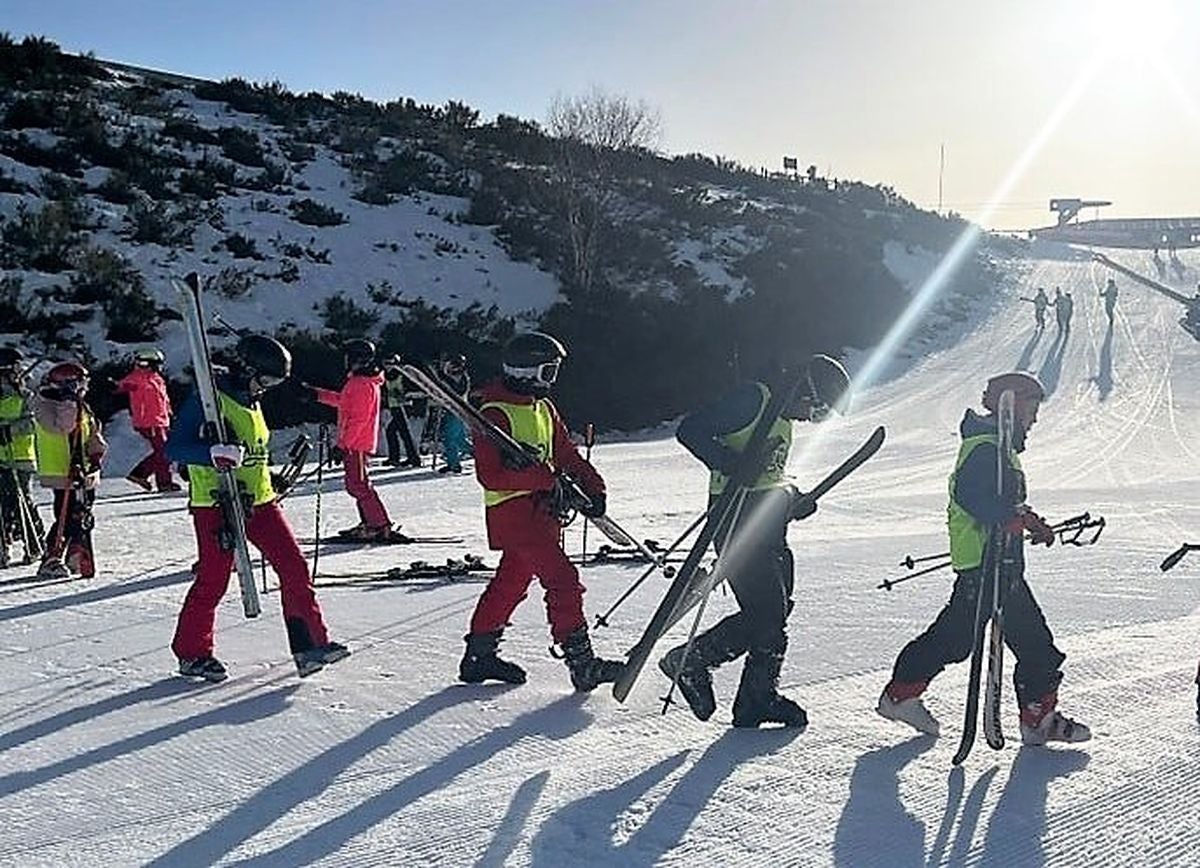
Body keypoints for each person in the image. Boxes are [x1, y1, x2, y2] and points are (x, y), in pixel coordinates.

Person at [876, 371, 1090, 746]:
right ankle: (1039, 718)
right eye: (1032, 409)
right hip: (987, 564)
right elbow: (970, 496)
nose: (1035, 419)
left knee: (956, 639)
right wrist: (1008, 517)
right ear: (1014, 405)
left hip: (995, 565)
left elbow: (1003, 499)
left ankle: (902, 694)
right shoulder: (986, 447)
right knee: (1033, 644)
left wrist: (1027, 519)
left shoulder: (996, 447)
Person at [657, 354, 850, 728]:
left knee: (776, 610)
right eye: (815, 407)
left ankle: (743, 692)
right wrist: (729, 461)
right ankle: (712, 672)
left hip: (768, 521)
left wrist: (792, 496)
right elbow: (691, 430)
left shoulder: (782, 415)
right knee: (768, 615)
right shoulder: (755, 399)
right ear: (804, 388)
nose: (810, 417)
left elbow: (769, 472)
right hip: (736, 521)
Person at [167, 334, 348, 681]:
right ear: (246, 370)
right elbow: (174, 448)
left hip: (260, 501)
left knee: (295, 568)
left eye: (275, 382)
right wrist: (210, 454)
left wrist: (269, 477)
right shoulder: (209, 400)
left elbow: (253, 450)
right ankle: (192, 653)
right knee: (213, 579)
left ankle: (310, 645)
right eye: (266, 379)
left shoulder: (252, 399)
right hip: (215, 502)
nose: (267, 388)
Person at [458, 331, 623, 692]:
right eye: (547, 372)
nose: (552, 381)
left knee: (511, 582)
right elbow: (492, 476)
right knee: (563, 580)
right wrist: (544, 479)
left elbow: (565, 453)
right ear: (524, 371)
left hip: (543, 513)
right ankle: (582, 663)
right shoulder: (494, 413)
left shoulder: (542, 408)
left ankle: (478, 656)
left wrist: (594, 487)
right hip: (515, 515)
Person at [310, 339, 398, 541]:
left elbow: (359, 419)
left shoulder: (362, 384)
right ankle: (370, 522)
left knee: (359, 485)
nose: (346, 361)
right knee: (356, 484)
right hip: (354, 442)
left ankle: (379, 525)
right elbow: (344, 402)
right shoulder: (360, 381)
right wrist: (315, 394)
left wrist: (343, 446)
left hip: (356, 443)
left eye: (348, 357)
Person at [33, 361, 107, 580]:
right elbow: (64, 426)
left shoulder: (79, 403)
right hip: (60, 470)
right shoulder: (45, 404)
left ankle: (76, 553)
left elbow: (91, 429)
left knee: (83, 514)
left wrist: (96, 452)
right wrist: (69, 401)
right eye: (80, 383)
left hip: (82, 470)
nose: (84, 388)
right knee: (67, 516)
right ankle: (51, 556)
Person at [0, 348, 44, 567]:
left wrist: (8, 430)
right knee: (1, 503)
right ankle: (2, 547)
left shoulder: (24, 395)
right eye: (16, 368)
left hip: (19, 456)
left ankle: (34, 544)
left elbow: (32, 422)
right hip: (1, 458)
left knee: (22, 501)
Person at [116, 347, 181, 492]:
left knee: (164, 451)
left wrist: (169, 414)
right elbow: (125, 385)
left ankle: (158, 479)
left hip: (161, 420)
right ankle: (145, 475)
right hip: (149, 421)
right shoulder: (138, 377)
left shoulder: (156, 378)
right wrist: (118, 386)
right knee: (164, 451)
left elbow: (163, 399)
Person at [382, 356, 421, 468]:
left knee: (402, 433)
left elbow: (412, 391)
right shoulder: (385, 376)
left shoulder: (402, 375)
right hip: (394, 407)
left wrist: (402, 396)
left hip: (403, 407)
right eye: (385, 363)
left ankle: (411, 459)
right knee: (392, 431)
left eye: (390, 363)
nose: (387, 366)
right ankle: (400, 457)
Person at [437, 352, 472, 475]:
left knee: (450, 439)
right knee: (459, 439)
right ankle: (476, 452)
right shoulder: (453, 376)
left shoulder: (461, 377)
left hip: (457, 411)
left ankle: (454, 465)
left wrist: (443, 378)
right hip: (453, 410)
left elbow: (456, 391)